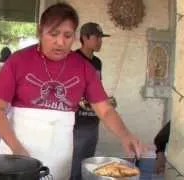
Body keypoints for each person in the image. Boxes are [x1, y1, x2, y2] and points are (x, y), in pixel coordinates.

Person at [0, 3, 143, 180]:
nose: (60, 42)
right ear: (40, 32)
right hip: (18, 149)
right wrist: (18, 150)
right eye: (53, 34)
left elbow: (105, 109)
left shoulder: (84, 67)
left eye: (67, 36)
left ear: (75, 36)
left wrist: (125, 134)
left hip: (59, 153)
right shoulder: (19, 60)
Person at [70, 22, 115, 180]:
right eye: (97, 38)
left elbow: (96, 90)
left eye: (101, 38)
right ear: (85, 38)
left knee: (87, 165)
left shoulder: (97, 63)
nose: (100, 42)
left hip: (93, 121)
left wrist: (107, 101)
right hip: (76, 124)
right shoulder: (72, 59)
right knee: (74, 168)